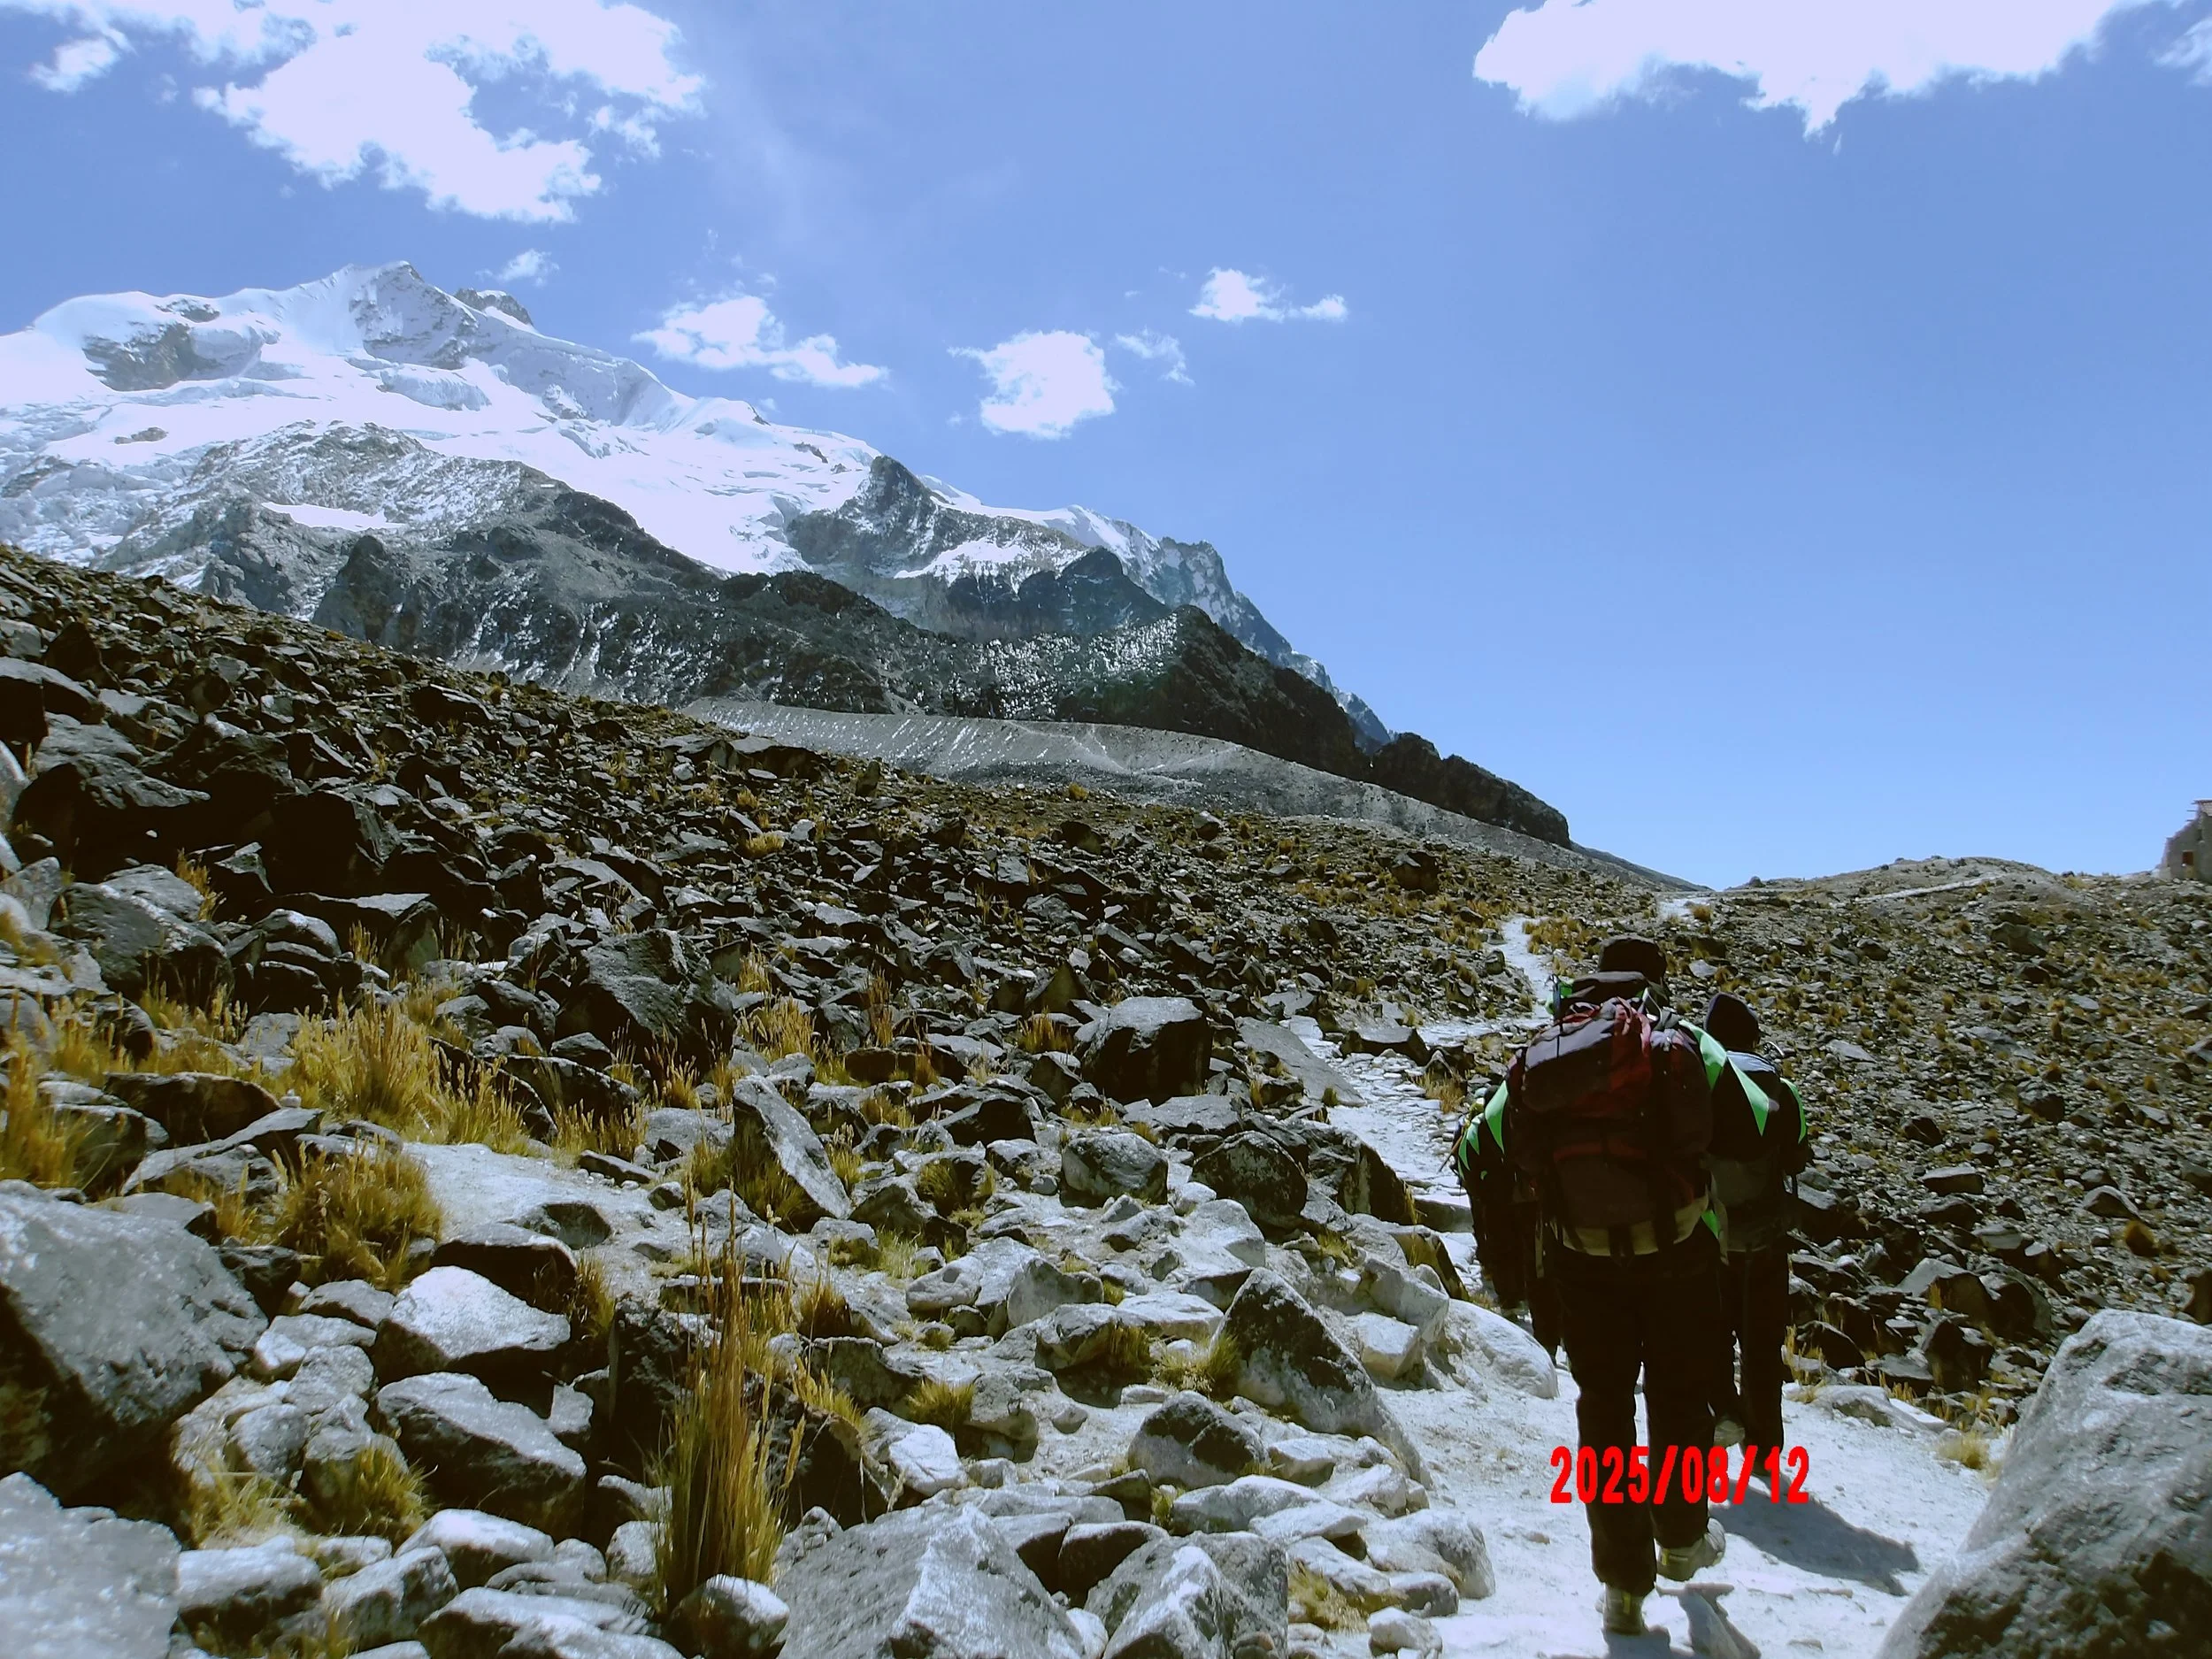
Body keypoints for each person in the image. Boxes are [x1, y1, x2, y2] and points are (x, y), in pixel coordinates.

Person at [1490, 934, 1728, 1636]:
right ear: (1648, 983)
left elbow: (1516, 1146)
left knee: (1604, 1410)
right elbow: (1720, 1132)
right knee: (1678, 1395)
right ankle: (1681, 1537)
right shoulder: (1668, 1040)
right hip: (1675, 1249)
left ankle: (1622, 1586)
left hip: (1582, 1256)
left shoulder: (1552, 1047)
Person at [1697, 990, 1811, 1478]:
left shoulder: (1699, 1079)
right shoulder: (1781, 1088)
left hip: (1710, 1234)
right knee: (1762, 1342)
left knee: (1712, 1332)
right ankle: (1764, 1448)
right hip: (1765, 1236)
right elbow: (1799, 1156)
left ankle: (1720, 1419)